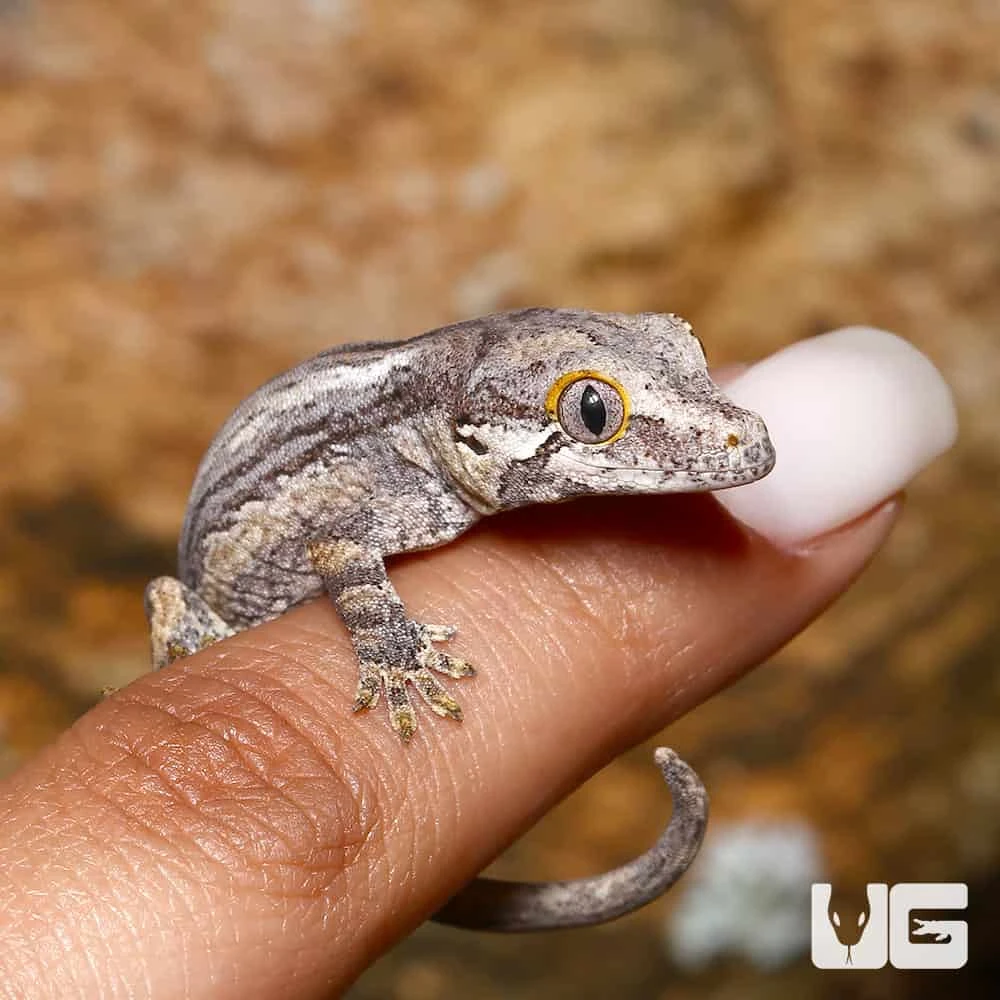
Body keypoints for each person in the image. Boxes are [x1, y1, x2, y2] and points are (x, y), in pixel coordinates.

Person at [0, 328, 956, 997]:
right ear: (467, 430)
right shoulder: (400, 475)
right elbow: (338, 545)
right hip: (219, 609)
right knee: (190, 628)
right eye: (595, 414)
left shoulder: (443, 439)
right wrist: (390, 646)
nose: (722, 426)